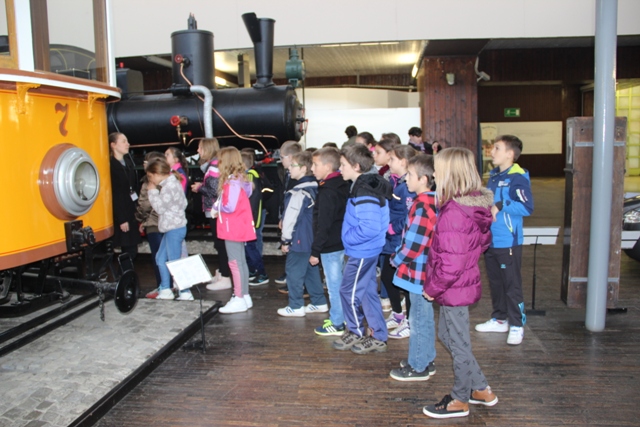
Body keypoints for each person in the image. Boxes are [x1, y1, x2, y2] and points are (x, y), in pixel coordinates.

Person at [422, 147, 497, 419]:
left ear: (450, 173)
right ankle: (481, 389)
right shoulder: (472, 205)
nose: (434, 174)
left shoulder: (455, 212)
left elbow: (452, 264)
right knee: (448, 336)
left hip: (453, 287)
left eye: (438, 169)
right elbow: (483, 242)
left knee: (459, 343)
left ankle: (460, 399)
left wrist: (432, 289)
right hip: (460, 284)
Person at [332, 144, 392, 354]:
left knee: (348, 292)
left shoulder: (365, 190)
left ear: (356, 166)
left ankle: (355, 331)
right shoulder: (364, 185)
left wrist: (347, 238)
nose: (340, 169)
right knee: (367, 294)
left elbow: (370, 228)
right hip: (365, 249)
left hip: (362, 251)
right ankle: (378, 336)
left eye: (343, 165)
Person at [475, 135, 534, 345]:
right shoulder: (494, 176)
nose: (492, 152)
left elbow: (526, 207)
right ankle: (500, 319)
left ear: (510, 154)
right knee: (496, 283)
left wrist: (501, 204)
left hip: (508, 241)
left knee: (511, 284)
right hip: (492, 239)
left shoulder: (517, 177)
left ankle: (517, 324)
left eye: (497, 148)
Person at [389, 153, 437, 381]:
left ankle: (417, 366)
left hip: (418, 273)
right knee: (424, 318)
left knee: (417, 320)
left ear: (424, 179)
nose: (406, 178)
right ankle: (426, 358)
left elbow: (413, 246)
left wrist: (396, 259)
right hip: (424, 271)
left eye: (410, 174)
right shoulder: (432, 201)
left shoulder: (422, 206)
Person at [277, 151, 328, 317]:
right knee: (310, 270)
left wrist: (285, 240)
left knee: (293, 271)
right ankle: (319, 302)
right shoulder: (316, 187)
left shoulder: (298, 192)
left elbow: (291, 218)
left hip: (299, 238)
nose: (289, 168)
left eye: (293, 165)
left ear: (304, 168)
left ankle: (295, 305)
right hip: (311, 238)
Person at [309, 148, 349, 335]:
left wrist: (315, 250)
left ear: (327, 166)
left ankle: (337, 322)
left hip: (330, 245)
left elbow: (323, 224)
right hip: (340, 242)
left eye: (315, 164)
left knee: (334, 286)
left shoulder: (327, 191)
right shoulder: (341, 184)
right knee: (339, 283)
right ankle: (342, 316)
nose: (312, 168)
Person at [381, 145, 417, 340]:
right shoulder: (393, 181)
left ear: (403, 162)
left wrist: (392, 228)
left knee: (406, 282)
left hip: (399, 238)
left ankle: (410, 321)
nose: (388, 163)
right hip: (391, 239)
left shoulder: (408, 186)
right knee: (387, 277)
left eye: (392, 159)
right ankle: (398, 314)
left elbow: (409, 215)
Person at [215, 147, 256, 314]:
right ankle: (244, 295)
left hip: (231, 227)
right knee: (240, 262)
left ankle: (238, 297)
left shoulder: (231, 182)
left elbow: (229, 206)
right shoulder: (241, 180)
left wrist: (217, 207)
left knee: (234, 263)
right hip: (239, 226)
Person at [146, 158, 193, 301]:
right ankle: (166, 289)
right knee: (160, 258)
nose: (150, 180)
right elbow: (184, 203)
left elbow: (160, 208)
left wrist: (152, 192)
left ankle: (185, 291)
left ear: (157, 174)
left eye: (150, 177)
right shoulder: (173, 183)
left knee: (174, 261)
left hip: (174, 228)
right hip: (172, 227)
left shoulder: (169, 187)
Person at [190, 138, 232, 291]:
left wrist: (199, 188)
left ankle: (225, 277)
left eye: (200, 148)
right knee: (220, 244)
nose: (198, 151)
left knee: (220, 244)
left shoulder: (213, 166)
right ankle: (222, 272)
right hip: (216, 210)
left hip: (215, 210)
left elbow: (214, 190)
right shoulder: (216, 164)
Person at [135, 151, 165, 297]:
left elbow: (145, 204)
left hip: (153, 224)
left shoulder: (149, 182)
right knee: (168, 257)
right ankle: (171, 286)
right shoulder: (168, 179)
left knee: (158, 258)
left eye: (146, 162)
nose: (144, 164)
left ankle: (162, 287)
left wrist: (140, 218)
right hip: (167, 223)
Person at [275, 141, 303, 291]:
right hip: (287, 216)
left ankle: (297, 283)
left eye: (282, 157)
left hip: (294, 219)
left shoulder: (296, 177)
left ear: (291, 157)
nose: (280, 160)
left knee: (295, 251)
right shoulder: (287, 173)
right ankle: (292, 279)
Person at [108, 132, 141, 260]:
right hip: (122, 213)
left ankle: (127, 271)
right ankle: (124, 272)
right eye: (123, 141)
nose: (128, 144)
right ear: (113, 145)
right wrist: (122, 219)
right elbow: (116, 194)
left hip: (131, 211)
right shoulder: (111, 165)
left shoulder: (128, 163)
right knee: (128, 249)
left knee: (132, 249)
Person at [241, 150, 269, 286]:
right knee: (248, 247)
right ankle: (252, 270)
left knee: (250, 247)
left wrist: (250, 219)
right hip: (249, 217)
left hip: (250, 218)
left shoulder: (250, 176)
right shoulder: (252, 174)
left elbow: (253, 199)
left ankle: (262, 273)